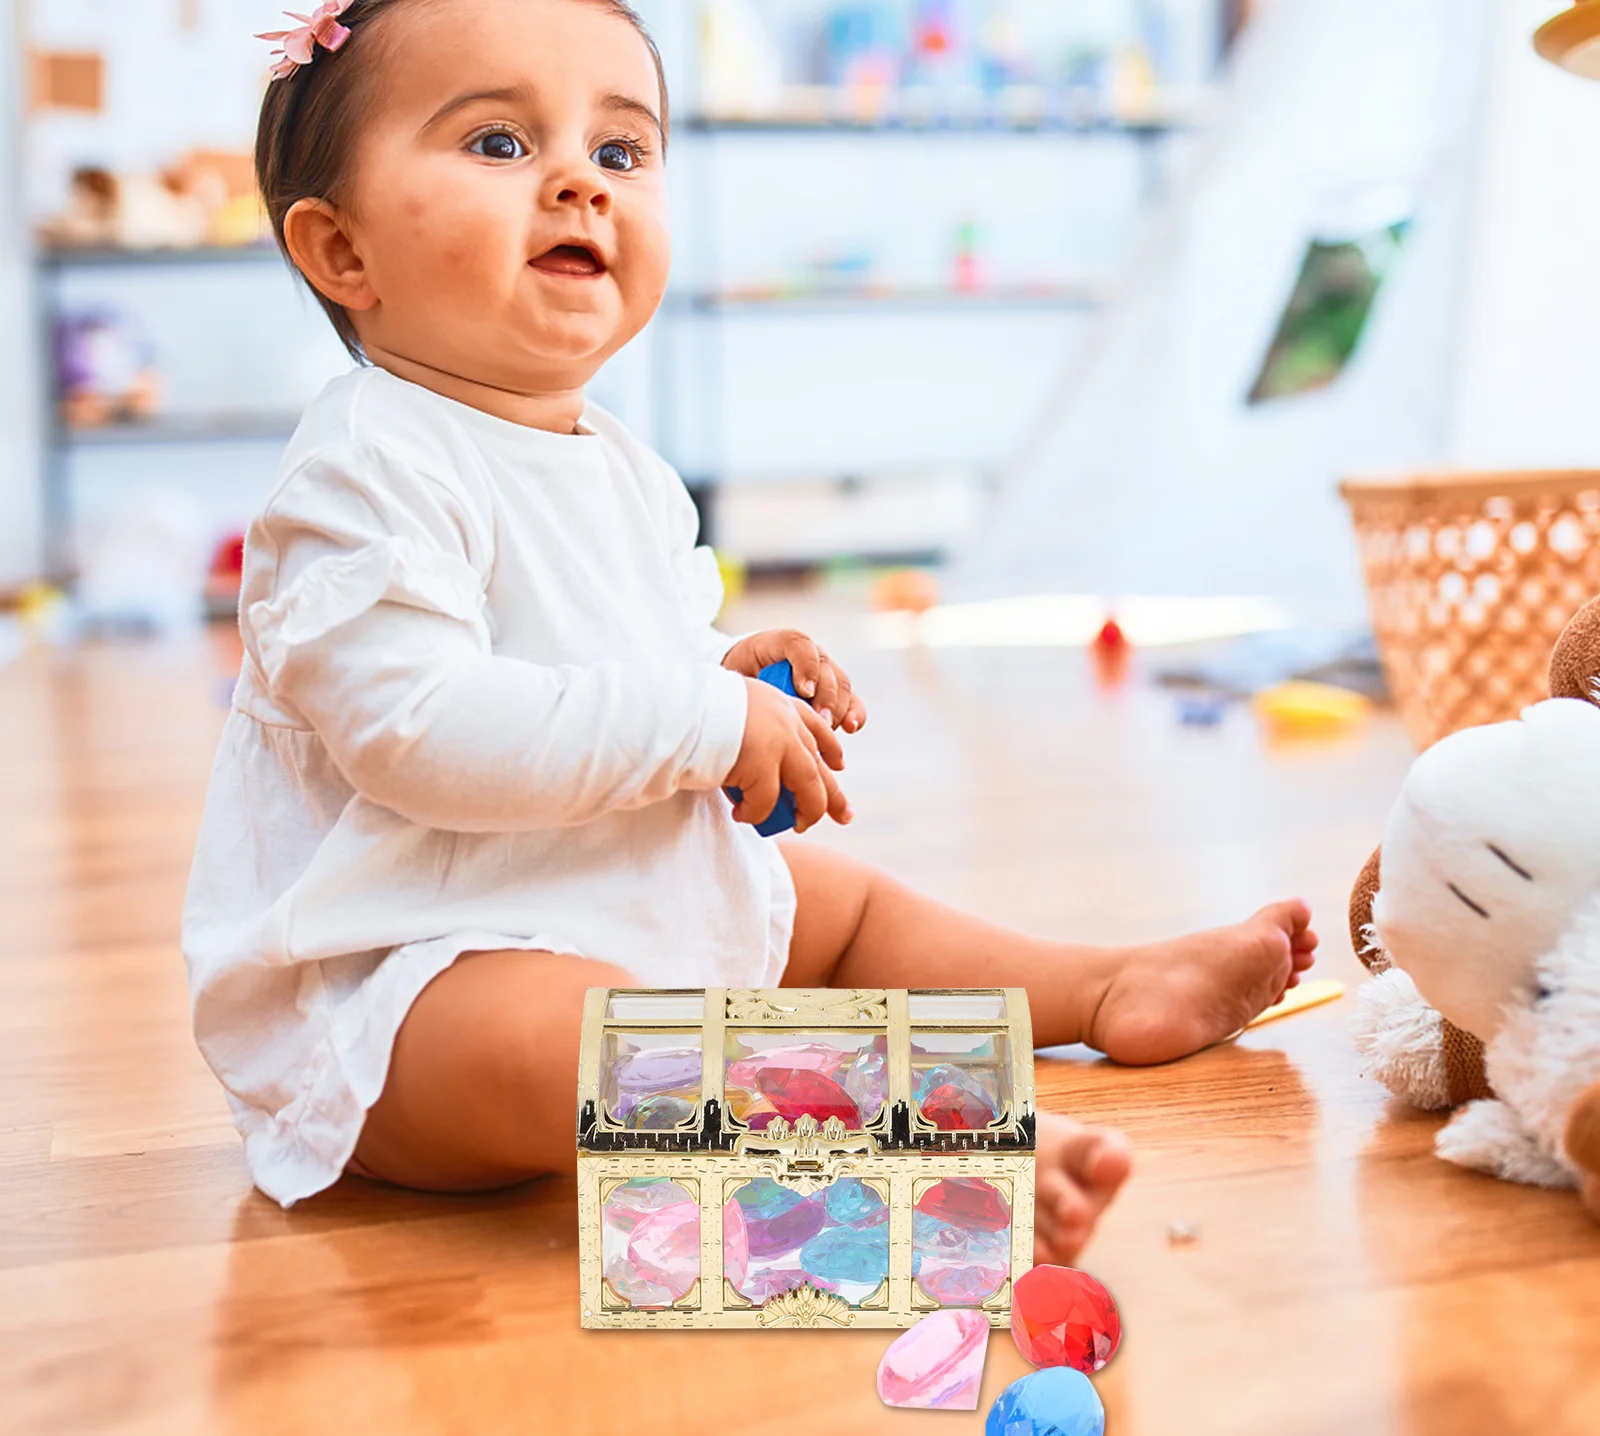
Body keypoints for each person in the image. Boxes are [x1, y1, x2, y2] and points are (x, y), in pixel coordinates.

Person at [183, 0, 1318, 1270]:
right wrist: (696, 719)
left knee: (832, 907)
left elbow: (622, 685)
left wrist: (722, 682)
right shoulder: (361, 468)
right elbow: (420, 734)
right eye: (500, 144)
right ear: (341, 251)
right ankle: (910, 1142)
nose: (577, 183)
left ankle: (1099, 985)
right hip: (403, 989)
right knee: (575, 1031)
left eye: (620, 152)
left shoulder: (628, 469)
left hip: (596, 898)